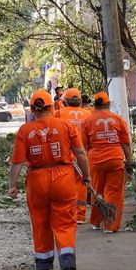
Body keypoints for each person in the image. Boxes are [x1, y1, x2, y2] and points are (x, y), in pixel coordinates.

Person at [8, 89, 90, 270]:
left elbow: (17, 162)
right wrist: (86, 176)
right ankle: (68, 264)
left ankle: (43, 265)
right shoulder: (65, 126)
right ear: (52, 107)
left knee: (40, 221)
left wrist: (13, 185)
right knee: (65, 222)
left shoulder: (25, 131)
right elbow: (80, 154)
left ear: (32, 109)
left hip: (37, 180)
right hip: (63, 177)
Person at [84, 92, 134, 233]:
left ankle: (95, 222)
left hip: (95, 161)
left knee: (97, 191)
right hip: (115, 160)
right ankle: (111, 226)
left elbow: (82, 146)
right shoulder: (117, 119)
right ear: (108, 103)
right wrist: (129, 162)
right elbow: (126, 144)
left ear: (95, 104)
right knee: (114, 193)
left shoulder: (87, 121)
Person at [59, 88, 93, 222]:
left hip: (64, 155)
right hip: (83, 154)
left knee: (65, 184)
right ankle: (79, 215)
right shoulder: (88, 114)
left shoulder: (58, 114)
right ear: (80, 101)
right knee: (82, 183)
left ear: (65, 101)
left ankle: (67, 214)